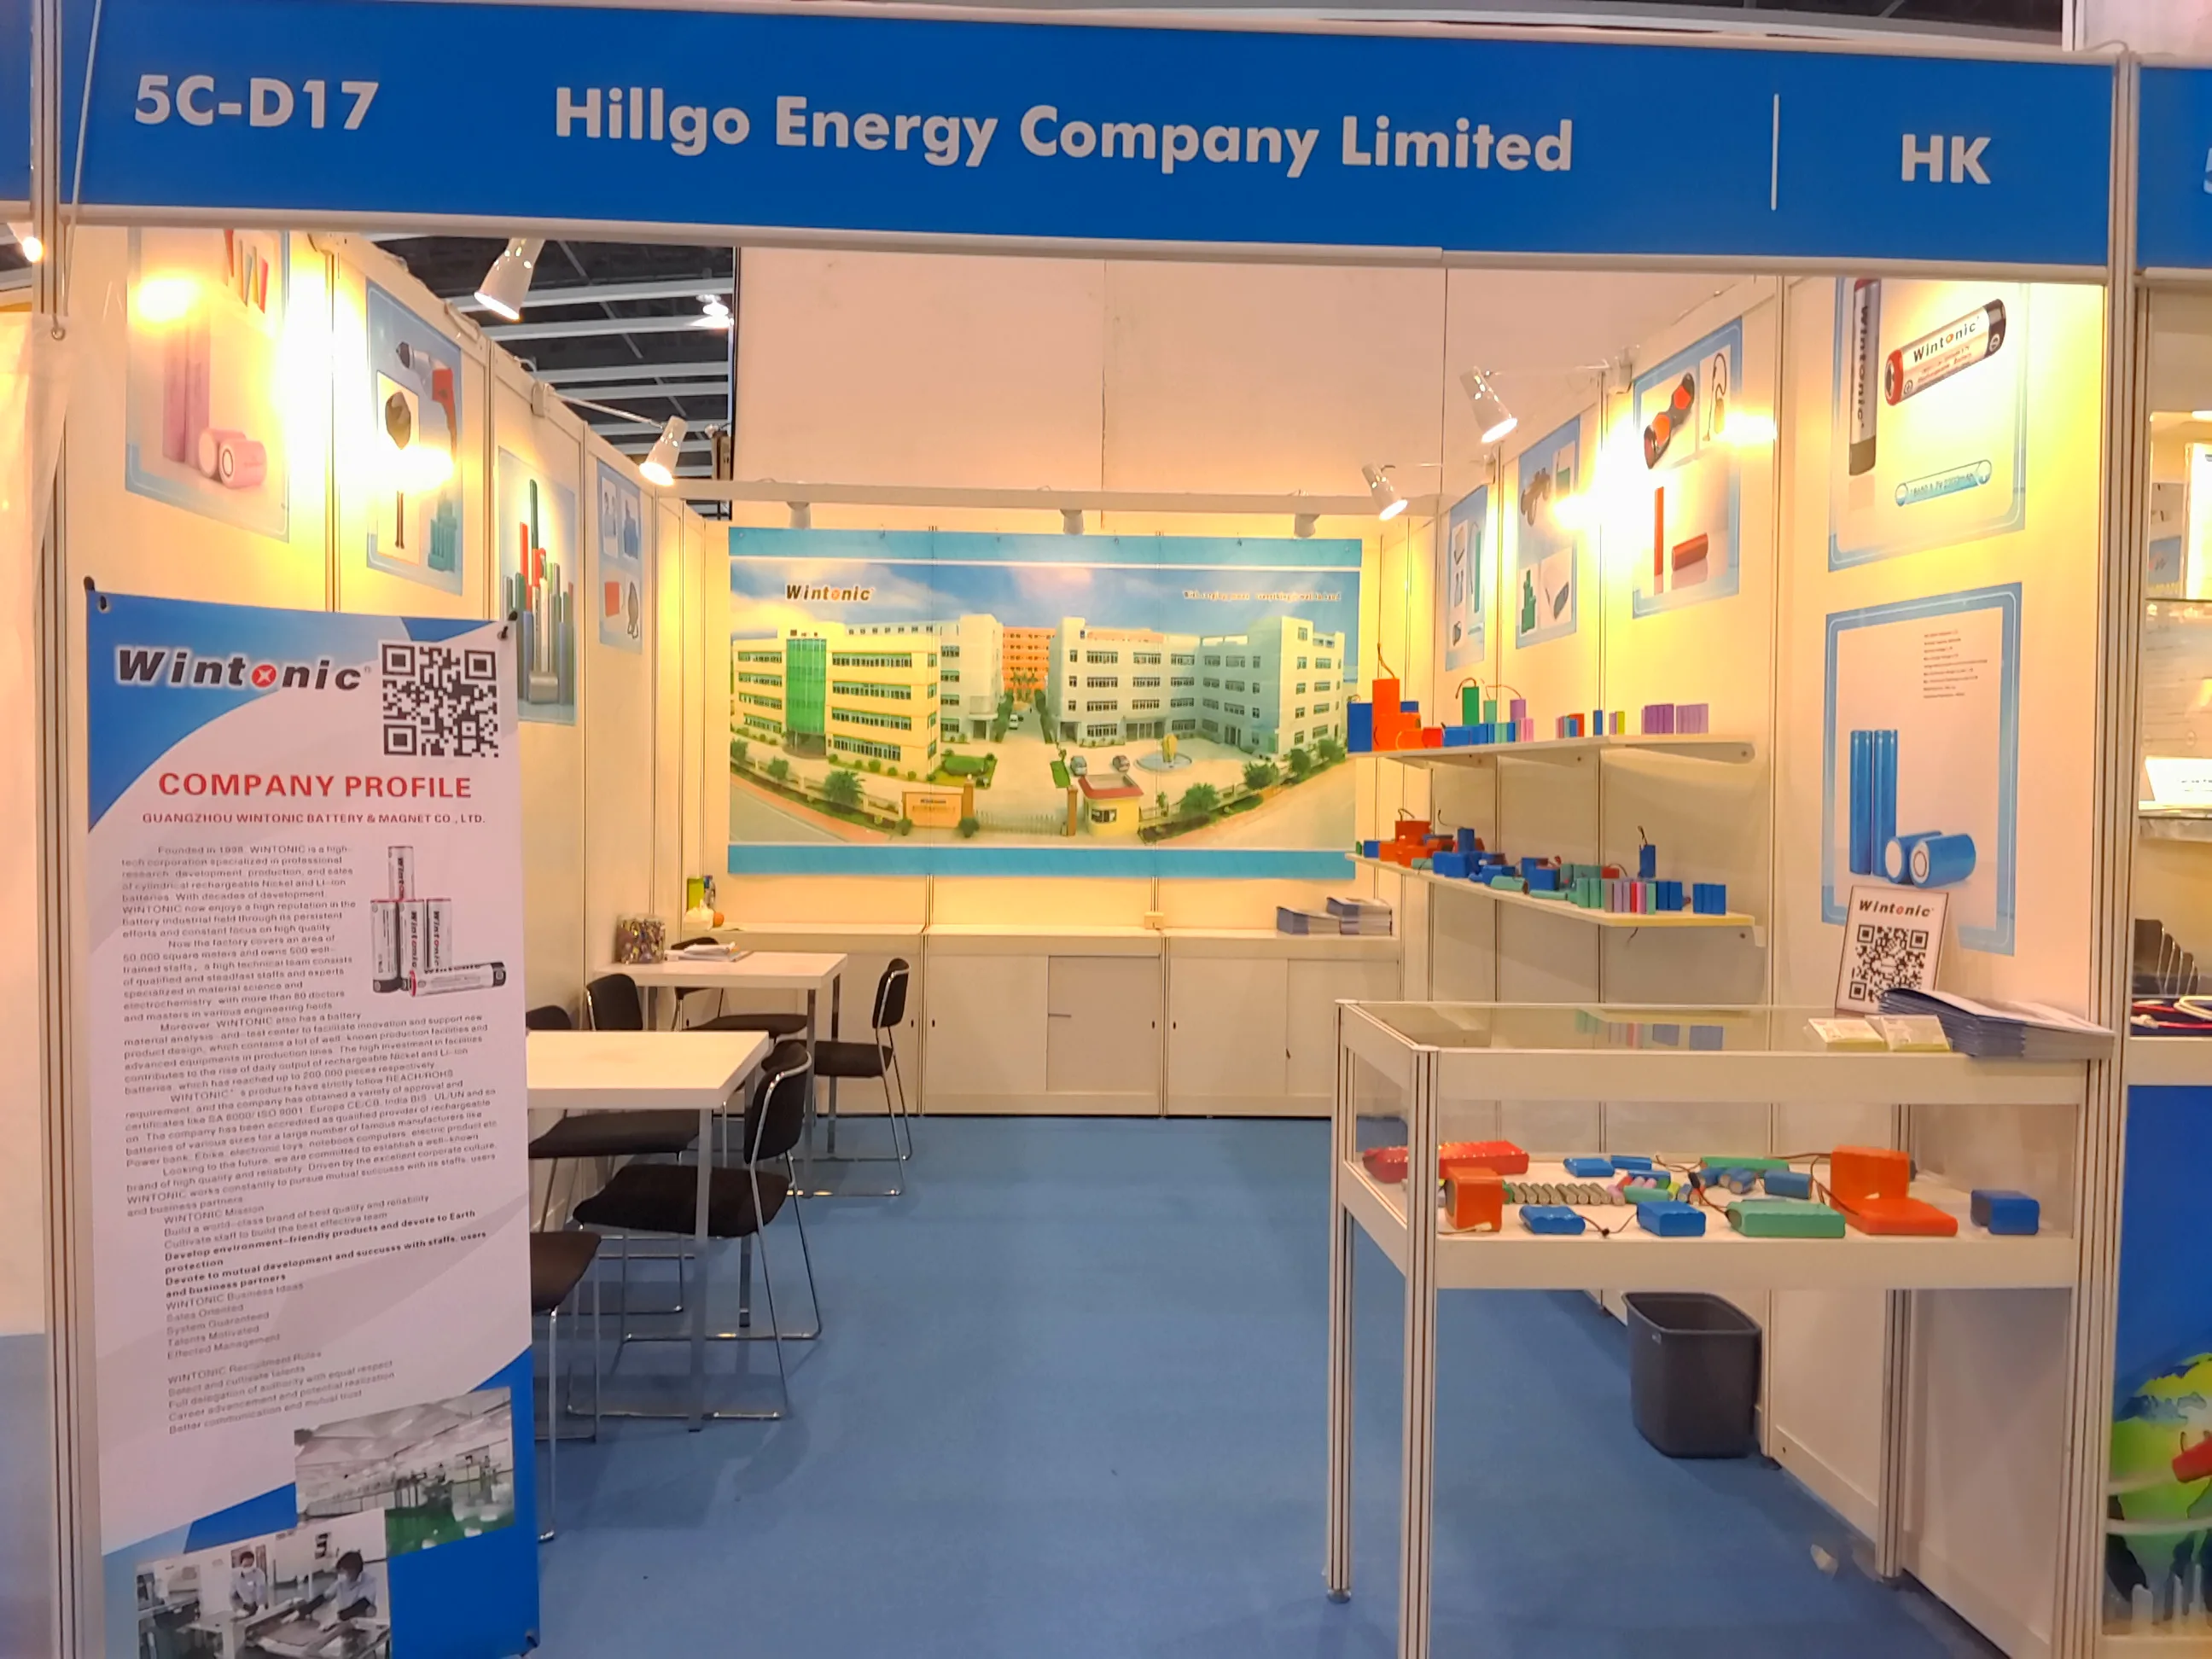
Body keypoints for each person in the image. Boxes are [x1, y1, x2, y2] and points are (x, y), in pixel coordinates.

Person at [230, 1549, 270, 1615]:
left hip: (259, 1605)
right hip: (246, 1607)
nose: (248, 1567)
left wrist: (261, 1605)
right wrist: (237, 1609)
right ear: (241, 1564)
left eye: (250, 1565)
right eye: (246, 1565)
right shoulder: (236, 1578)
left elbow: (261, 1589)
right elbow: (232, 1596)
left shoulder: (258, 1573)